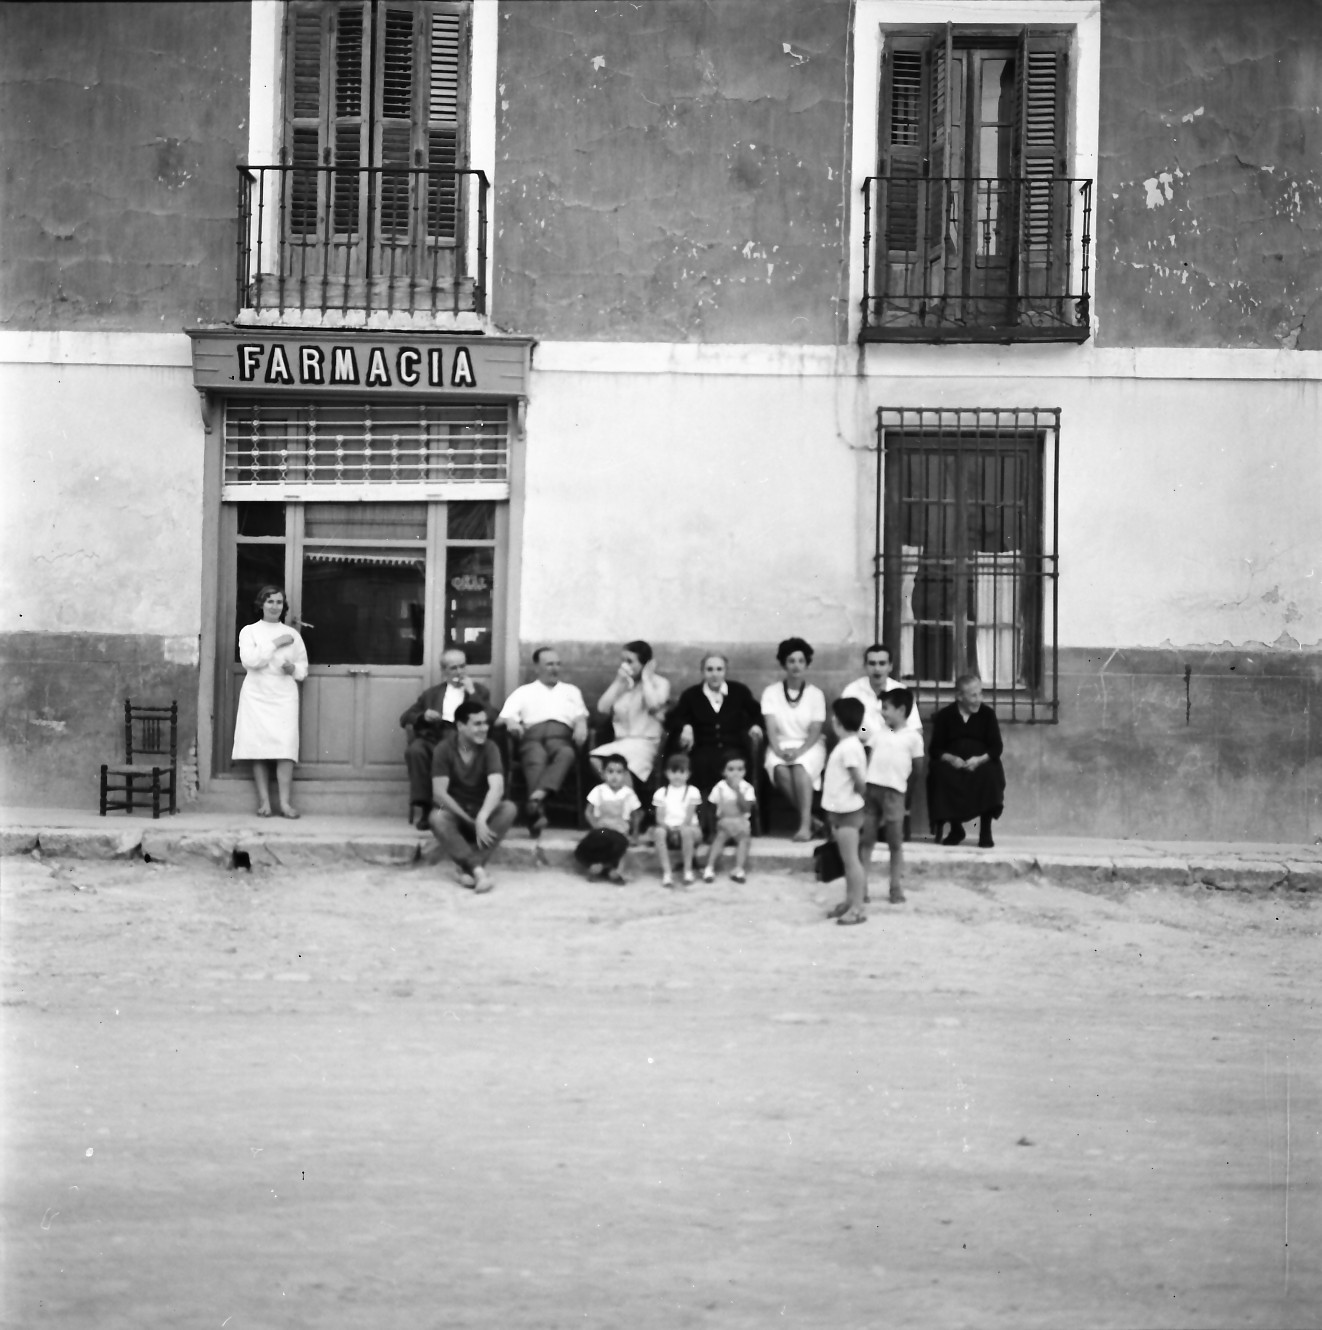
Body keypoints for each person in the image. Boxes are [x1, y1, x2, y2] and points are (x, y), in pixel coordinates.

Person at [232, 585, 308, 819]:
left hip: (284, 695)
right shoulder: (249, 631)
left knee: (285, 747)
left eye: (278, 602)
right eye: (270, 601)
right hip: (257, 694)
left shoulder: (293, 635)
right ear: (261, 604)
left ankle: (285, 803)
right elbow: (250, 661)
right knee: (259, 747)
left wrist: (293, 668)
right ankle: (264, 802)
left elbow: (303, 669)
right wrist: (276, 643)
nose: (275, 606)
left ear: (283, 606)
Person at [497, 647, 589, 836]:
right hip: (532, 737)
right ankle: (537, 806)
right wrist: (511, 722)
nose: (554, 668)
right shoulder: (524, 691)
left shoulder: (571, 691)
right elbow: (501, 718)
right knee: (535, 759)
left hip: (561, 737)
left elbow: (581, 715)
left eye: (557, 664)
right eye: (549, 664)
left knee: (567, 753)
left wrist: (582, 724)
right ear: (537, 667)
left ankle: (535, 802)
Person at [428, 699, 519, 893]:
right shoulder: (444, 749)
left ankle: (466, 868)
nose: (484, 728)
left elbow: (497, 787)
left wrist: (482, 817)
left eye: (485, 723)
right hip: (457, 814)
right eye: (477, 724)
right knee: (437, 817)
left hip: (482, 813)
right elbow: (439, 793)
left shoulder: (490, 748)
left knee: (509, 809)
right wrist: (469, 820)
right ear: (460, 726)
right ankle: (478, 870)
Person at [399, 649, 492, 828]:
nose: (459, 672)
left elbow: (489, 716)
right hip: (436, 736)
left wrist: (472, 693)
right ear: (444, 671)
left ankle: (461, 809)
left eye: (462, 667)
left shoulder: (479, 691)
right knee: (416, 750)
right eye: (453, 668)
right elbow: (405, 717)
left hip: (464, 740)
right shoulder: (432, 694)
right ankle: (426, 808)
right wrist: (423, 716)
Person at [841, 642, 924, 839]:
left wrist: (892, 738)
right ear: (865, 666)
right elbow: (847, 726)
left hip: (894, 748)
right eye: (872, 663)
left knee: (906, 763)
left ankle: (896, 817)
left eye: (882, 663)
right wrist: (866, 733)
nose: (877, 669)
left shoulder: (900, 691)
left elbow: (915, 728)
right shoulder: (853, 691)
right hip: (863, 746)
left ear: (890, 666)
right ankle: (866, 821)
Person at [666, 654, 764, 816]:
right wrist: (685, 727)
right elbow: (674, 718)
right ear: (702, 672)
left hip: (733, 748)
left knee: (735, 765)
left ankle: (739, 816)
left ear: (725, 671)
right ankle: (704, 818)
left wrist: (755, 726)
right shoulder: (691, 695)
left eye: (719, 669)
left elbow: (756, 713)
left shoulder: (739, 691)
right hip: (703, 748)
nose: (714, 674)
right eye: (709, 669)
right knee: (701, 764)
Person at [860, 688, 924, 904]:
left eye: (886, 708)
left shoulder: (913, 738)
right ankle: (862, 887)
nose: (882, 712)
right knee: (866, 840)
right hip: (872, 791)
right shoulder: (877, 733)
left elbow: (917, 769)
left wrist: (906, 796)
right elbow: (868, 758)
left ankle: (895, 887)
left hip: (895, 793)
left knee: (895, 842)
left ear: (901, 710)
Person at [760, 637, 827, 841]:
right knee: (779, 769)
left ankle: (805, 826)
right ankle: (812, 820)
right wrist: (778, 750)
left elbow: (815, 730)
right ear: (783, 664)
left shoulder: (816, 694)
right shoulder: (771, 693)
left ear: (807, 664)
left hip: (810, 745)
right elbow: (770, 727)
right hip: (780, 744)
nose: (796, 666)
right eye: (791, 661)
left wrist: (799, 751)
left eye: (800, 661)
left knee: (800, 767)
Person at [928, 673, 1006, 848]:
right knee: (939, 773)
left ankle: (985, 831)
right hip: (954, 764)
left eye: (980, 694)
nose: (979, 699)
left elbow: (996, 747)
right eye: (973, 695)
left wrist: (979, 760)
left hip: (979, 763)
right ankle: (956, 829)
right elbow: (935, 749)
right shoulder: (946, 715)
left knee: (990, 773)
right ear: (959, 696)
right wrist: (951, 759)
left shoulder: (987, 714)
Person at [590, 640, 670, 788]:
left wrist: (646, 678)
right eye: (623, 661)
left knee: (619, 765)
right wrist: (618, 682)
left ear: (645, 664)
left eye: (630, 661)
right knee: (595, 759)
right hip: (621, 742)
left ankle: (624, 798)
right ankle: (625, 796)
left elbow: (653, 705)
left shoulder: (660, 683)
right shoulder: (623, 684)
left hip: (644, 742)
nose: (624, 665)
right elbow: (602, 708)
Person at [820, 697, 869, 926]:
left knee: (851, 861)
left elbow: (858, 781)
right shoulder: (848, 744)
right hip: (840, 810)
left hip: (848, 811)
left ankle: (858, 907)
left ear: (838, 721)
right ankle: (849, 901)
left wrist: (858, 797)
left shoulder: (849, 747)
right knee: (846, 860)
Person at [575, 754, 643, 884]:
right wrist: (595, 826)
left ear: (625, 774)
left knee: (620, 845)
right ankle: (603, 868)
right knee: (584, 848)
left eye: (619, 772)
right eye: (610, 771)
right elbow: (588, 812)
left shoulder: (628, 793)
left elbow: (636, 815)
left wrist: (635, 834)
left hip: (620, 832)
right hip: (602, 830)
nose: (614, 776)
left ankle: (603, 867)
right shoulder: (599, 790)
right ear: (603, 773)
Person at [702, 751, 756, 883]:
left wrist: (738, 791)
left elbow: (746, 808)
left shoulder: (747, 788)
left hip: (741, 824)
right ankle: (709, 867)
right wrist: (711, 830)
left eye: (740, 769)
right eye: (731, 769)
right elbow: (711, 809)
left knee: (744, 841)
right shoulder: (719, 787)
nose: (735, 773)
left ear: (745, 772)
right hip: (724, 823)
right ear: (723, 772)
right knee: (718, 840)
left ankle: (739, 869)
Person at [651, 753, 703, 888]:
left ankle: (688, 870)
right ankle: (667, 873)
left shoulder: (692, 791)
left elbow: (689, 817)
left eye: (682, 772)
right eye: (674, 772)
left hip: (689, 829)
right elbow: (659, 817)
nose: (677, 776)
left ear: (688, 774)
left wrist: (680, 828)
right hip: (669, 829)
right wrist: (668, 828)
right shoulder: (661, 793)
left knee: (686, 831)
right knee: (658, 832)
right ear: (667, 773)